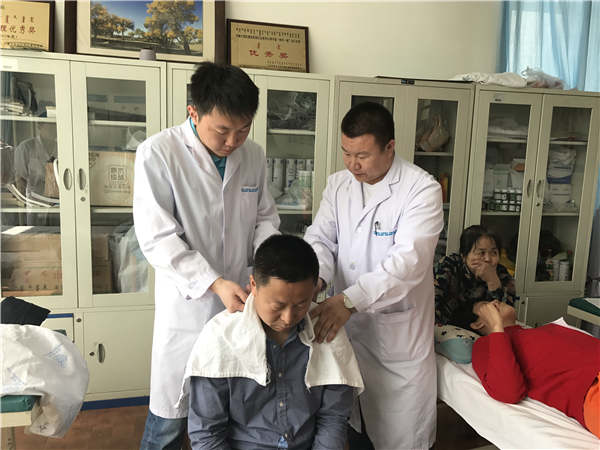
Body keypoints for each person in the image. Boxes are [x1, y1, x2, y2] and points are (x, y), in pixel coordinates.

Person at [133, 62, 280, 450]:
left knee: (227, 417)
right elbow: (158, 237)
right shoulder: (159, 153)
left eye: (243, 129)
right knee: (169, 422)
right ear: (193, 112)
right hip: (189, 308)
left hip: (240, 306)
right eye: (222, 130)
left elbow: (265, 219)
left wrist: (267, 272)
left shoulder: (254, 156)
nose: (233, 141)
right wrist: (213, 282)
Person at [303, 101, 444, 449]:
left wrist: (350, 300)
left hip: (397, 344)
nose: (353, 164)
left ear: (390, 147)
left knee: (399, 438)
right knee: (353, 429)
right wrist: (316, 279)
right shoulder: (338, 185)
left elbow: (407, 262)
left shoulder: (421, 190)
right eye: (346, 153)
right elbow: (321, 238)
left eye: (363, 155)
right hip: (348, 331)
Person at [181, 234, 363, 450]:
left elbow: (332, 420)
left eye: (300, 304)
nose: (288, 318)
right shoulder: (221, 338)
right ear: (253, 286)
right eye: (278, 306)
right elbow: (207, 434)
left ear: (315, 288)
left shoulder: (326, 331)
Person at [470, 300, 600, 439]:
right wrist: (496, 326)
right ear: (478, 324)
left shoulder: (533, 332)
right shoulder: (485, 344)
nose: (495, 301)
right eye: (487, 306)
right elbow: (508, 391)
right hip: (592, 386)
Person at [434, 225, 516, 329]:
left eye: (494, 253)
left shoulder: (501, 273)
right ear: (464, 256)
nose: (487, 259)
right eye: (481, 253)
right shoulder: (448, 266)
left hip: (485, 329)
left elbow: (506, 315)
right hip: (447, 326)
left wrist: (493, 282)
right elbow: (431, 307)